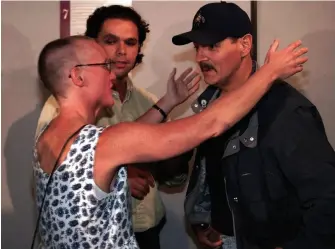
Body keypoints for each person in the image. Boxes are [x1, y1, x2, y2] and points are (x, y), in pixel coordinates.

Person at [33, 33, 306, 248]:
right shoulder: (103, 143)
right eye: (103, 65)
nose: (112, 73)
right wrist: (268, 73)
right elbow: (210, 124)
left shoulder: (50, 135)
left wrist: (168, 102)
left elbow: (124, 138)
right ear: (77, 76)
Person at [172, 2, 335, 249]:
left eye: (212, 46)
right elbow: (211, 174)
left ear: (245, 45)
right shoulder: (209, 104)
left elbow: (327, 198)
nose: (200, 57)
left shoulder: (287, 111)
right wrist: (204, 220)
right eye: (197, 47)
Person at [34, 6, 194, 249]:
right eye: (111, 41)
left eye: (130, 42)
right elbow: (59, 176)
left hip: (146, 229)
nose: (121, 51)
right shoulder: (61, 108)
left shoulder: (148, 101)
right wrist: (117, 178)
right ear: (93, 45)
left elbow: (172, 178)